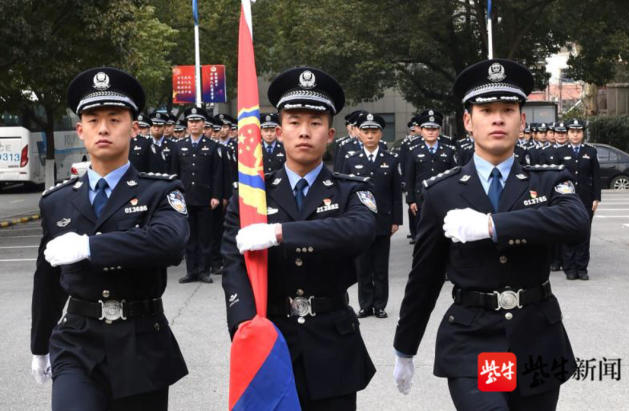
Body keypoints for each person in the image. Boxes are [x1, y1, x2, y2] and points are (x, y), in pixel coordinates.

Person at [392, 59, 590, 410]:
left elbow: (575, 221)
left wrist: (492, 226)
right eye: (486, 110)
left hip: (536, 336)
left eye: (508, 109)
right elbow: (425, 277)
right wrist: (405, 348)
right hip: (477, 337)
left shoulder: (547, 179)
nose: (497, 118)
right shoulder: (444, 192)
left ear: (521, 120)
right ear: (469, 121)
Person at [30, 67, 189, 411]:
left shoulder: (159, 190)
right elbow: (48, 279)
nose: (103, 128)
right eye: (93, 119)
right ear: (80, 130)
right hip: (78, 341)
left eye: (114, 119)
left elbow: (170, 242)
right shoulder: (56, 201)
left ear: (133, 128)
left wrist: (89, 247)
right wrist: (40, 344)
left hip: (140, 340)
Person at [222, 66, 377, 410]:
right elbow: (233, 263)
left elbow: (358, 231)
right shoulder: (253, 195)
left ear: (331, 134)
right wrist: (244, 324)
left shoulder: (350, 190)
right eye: (294, 122)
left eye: (315, 122)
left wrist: (280, 233)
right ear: (278, 131)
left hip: (331, 341)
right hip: (271, 337)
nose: (304, 132)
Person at [342, 112, 402, 319]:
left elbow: (396, 193)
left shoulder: (391, 159)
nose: (369, 135)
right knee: (363, 265)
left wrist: (396, 220)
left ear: (380, 134)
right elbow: (345, 192)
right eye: (366, 131)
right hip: (359, 221)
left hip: (383, 220)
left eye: (373, 132)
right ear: (359, 133)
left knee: (380, 266)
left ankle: (380, 305)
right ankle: (365, 304)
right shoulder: (351, 160)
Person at [171, 106, 223, 284]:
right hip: (185, 198)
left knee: (205, 237)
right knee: (189, 237)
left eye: (197, 121)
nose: (194, 125)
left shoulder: (212, 146)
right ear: (187, 124)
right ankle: (191, 271)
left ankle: (203, 271)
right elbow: (175, 175)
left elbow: (217, 174)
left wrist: (216, 195)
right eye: (191, 121)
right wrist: (175, 197)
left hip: (206, 198)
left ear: (203, 124)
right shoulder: (179, 146)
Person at [556, 118, 600, 280]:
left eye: (578, 132)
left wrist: (597, 198)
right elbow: (556, 178)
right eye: (572, 132)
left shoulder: (591, 151)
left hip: (586, 199)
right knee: (568, 233)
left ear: (583, 133)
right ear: (567, 133)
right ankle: (569, 268)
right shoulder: (560, 152)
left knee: (584, 233)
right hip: (565, 199)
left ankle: (582, 268)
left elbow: (596, 177)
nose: (575, 135)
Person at [405, 110, 457, 228]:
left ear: (439, 130)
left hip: (444, 197)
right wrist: (411, 200)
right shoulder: (414, 151)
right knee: (423, 231)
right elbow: (409, 177)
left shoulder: (449, 151)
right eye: (427, 129)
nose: (431, 132)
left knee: (443, 230)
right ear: (422, 131)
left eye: (434, 129)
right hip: (421, 198)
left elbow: (454, 176)